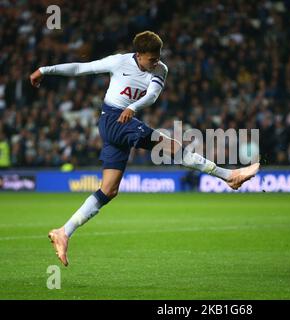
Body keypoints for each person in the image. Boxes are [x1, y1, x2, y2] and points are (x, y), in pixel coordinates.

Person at [30, 31, 260, 266]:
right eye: (151, 59)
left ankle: (64, 232)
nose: (156, 63)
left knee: (109, 190)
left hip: (124, 120)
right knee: (171, 147)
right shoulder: (119, 62)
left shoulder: (161, 69)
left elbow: (152, 95)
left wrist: (134, 107)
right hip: (112, 118)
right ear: (138, 55)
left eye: (158, 58)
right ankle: (230, 176)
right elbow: (81, 68)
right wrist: (45, 70)